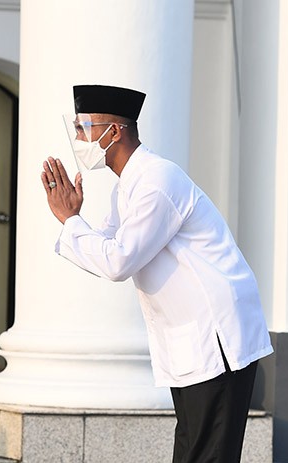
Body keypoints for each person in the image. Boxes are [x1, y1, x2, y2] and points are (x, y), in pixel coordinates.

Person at [40, 84, 273, 463]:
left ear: (114, 132)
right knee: (193, 451)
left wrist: (70, 221)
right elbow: (107, 247)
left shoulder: (156, 182)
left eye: (84, 128)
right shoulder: (128, 187)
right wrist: (74, 219)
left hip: (217, 339)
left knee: (208, 455)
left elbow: (118, 261)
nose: (79, 138)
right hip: (192, 341)